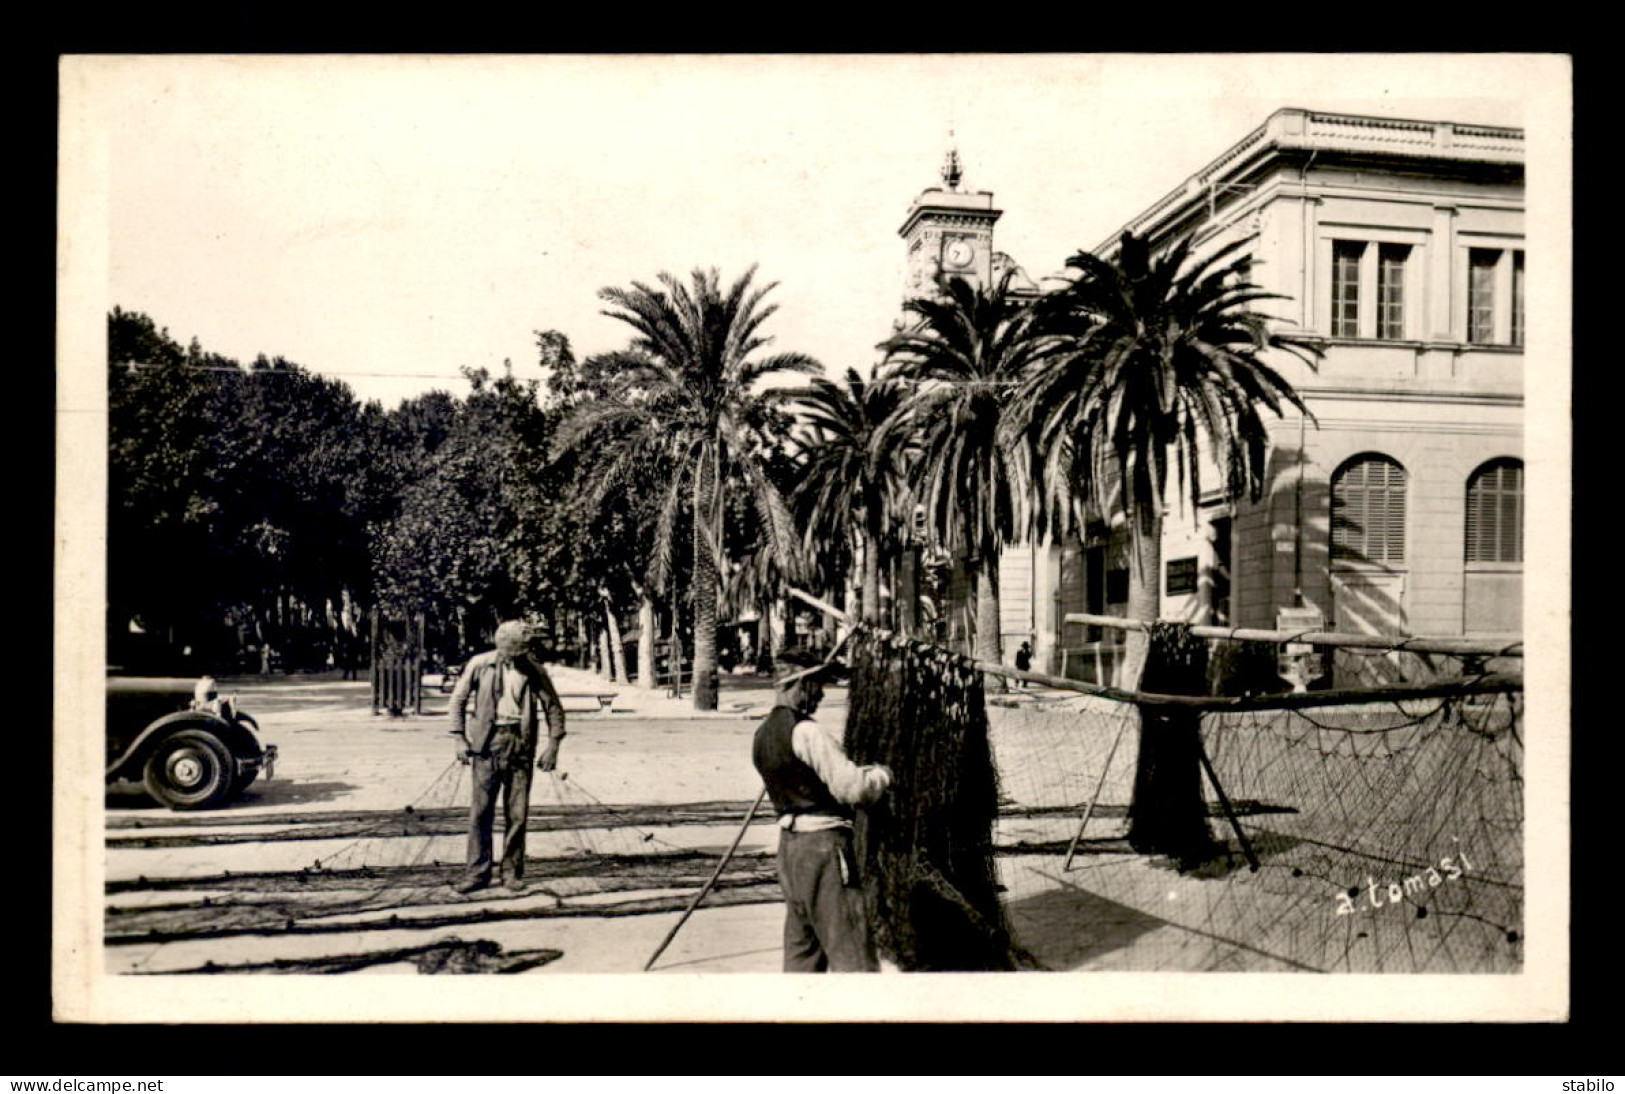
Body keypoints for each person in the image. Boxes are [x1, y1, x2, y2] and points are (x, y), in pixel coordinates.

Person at [751, 648, 893, 972]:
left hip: (790, 854)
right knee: (853, 955)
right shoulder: (808, 732)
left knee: (802, 960)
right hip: (824, 851)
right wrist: (881, 776)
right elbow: (851, 788)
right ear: (797, 684)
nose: (821, 692)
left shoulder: (762, 735)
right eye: (816, 684)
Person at [448, 620, 567, 894]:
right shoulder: (480, 664)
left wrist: (553, 747)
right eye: (514, 649)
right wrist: (458, 737)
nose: (517, 655)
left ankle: (512, 872)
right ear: (502, 645)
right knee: (480, 813)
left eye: (522, 650)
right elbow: (458, 701)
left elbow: (554, 709)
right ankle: (477, 873)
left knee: (517, 814)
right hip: (486, 746)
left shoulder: (534, 669)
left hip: (520, 745)